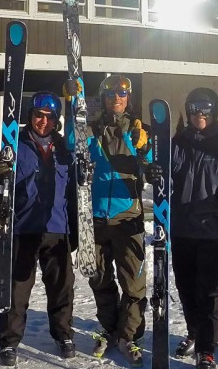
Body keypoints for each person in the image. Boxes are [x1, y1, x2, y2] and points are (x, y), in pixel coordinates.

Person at [145, 88, 218, 369]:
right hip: (183, 228)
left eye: (204, 108)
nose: (199, 114)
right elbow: (163, 173)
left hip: (212, 230)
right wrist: (152, 171)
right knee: (186, 288)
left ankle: (207, 348)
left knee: (210, 292)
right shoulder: (177, 143)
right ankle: (194, 332)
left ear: (213, 111)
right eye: (194, 108)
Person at [67, 74, 151, 367]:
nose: (117, 98)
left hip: (128, 217)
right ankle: (108, 327)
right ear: (103, 99)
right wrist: (72, 106)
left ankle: (129, 335)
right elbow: (70, 143)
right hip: (95, 219)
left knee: (134, 284)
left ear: (128, 99)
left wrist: (146, 148)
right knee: (100, 279)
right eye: (111, 93)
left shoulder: (138, 131)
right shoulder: (90, 130)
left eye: (122, 94)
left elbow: (153, 162)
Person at [0, 92, 78, 366]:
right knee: (18, 289)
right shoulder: (14, 144)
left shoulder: (66, 149)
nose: (43, 121)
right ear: (30, 116)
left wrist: (76, 229)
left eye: (49, 117)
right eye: (39, 115)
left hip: (57, 226)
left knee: (61, 286)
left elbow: (75, 192)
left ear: (56, 120)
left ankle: (63, 334)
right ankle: (9, 341)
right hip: (23, 226)